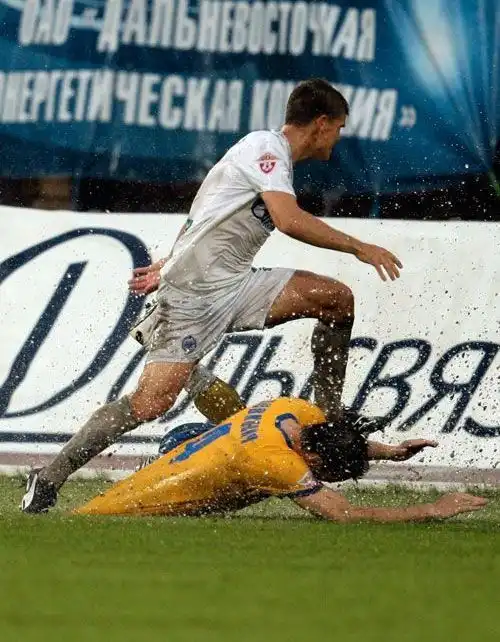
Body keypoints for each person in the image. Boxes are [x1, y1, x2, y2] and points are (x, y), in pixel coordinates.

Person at [22, 78, 402, 513]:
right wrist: (358, 247)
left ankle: (330, 419)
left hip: (236, 283)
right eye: (338, 127)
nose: (338, 137)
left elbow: (204, 211)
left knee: (335, 299)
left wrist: (168, 260)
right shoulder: (265, 148)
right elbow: (288, 220)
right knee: (151, 402)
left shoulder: (267, 158)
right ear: (320, 123)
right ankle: (48, 477)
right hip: (194, 296)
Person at [75, 397, 486, 522]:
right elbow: (345, 515)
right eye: (327, 473)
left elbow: (332, 437)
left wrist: (388, 451)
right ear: (311, 457)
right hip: (118, 513)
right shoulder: (276, 462)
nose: (324, 479)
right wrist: (432, 508)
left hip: (192, 462)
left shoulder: (293, 410)